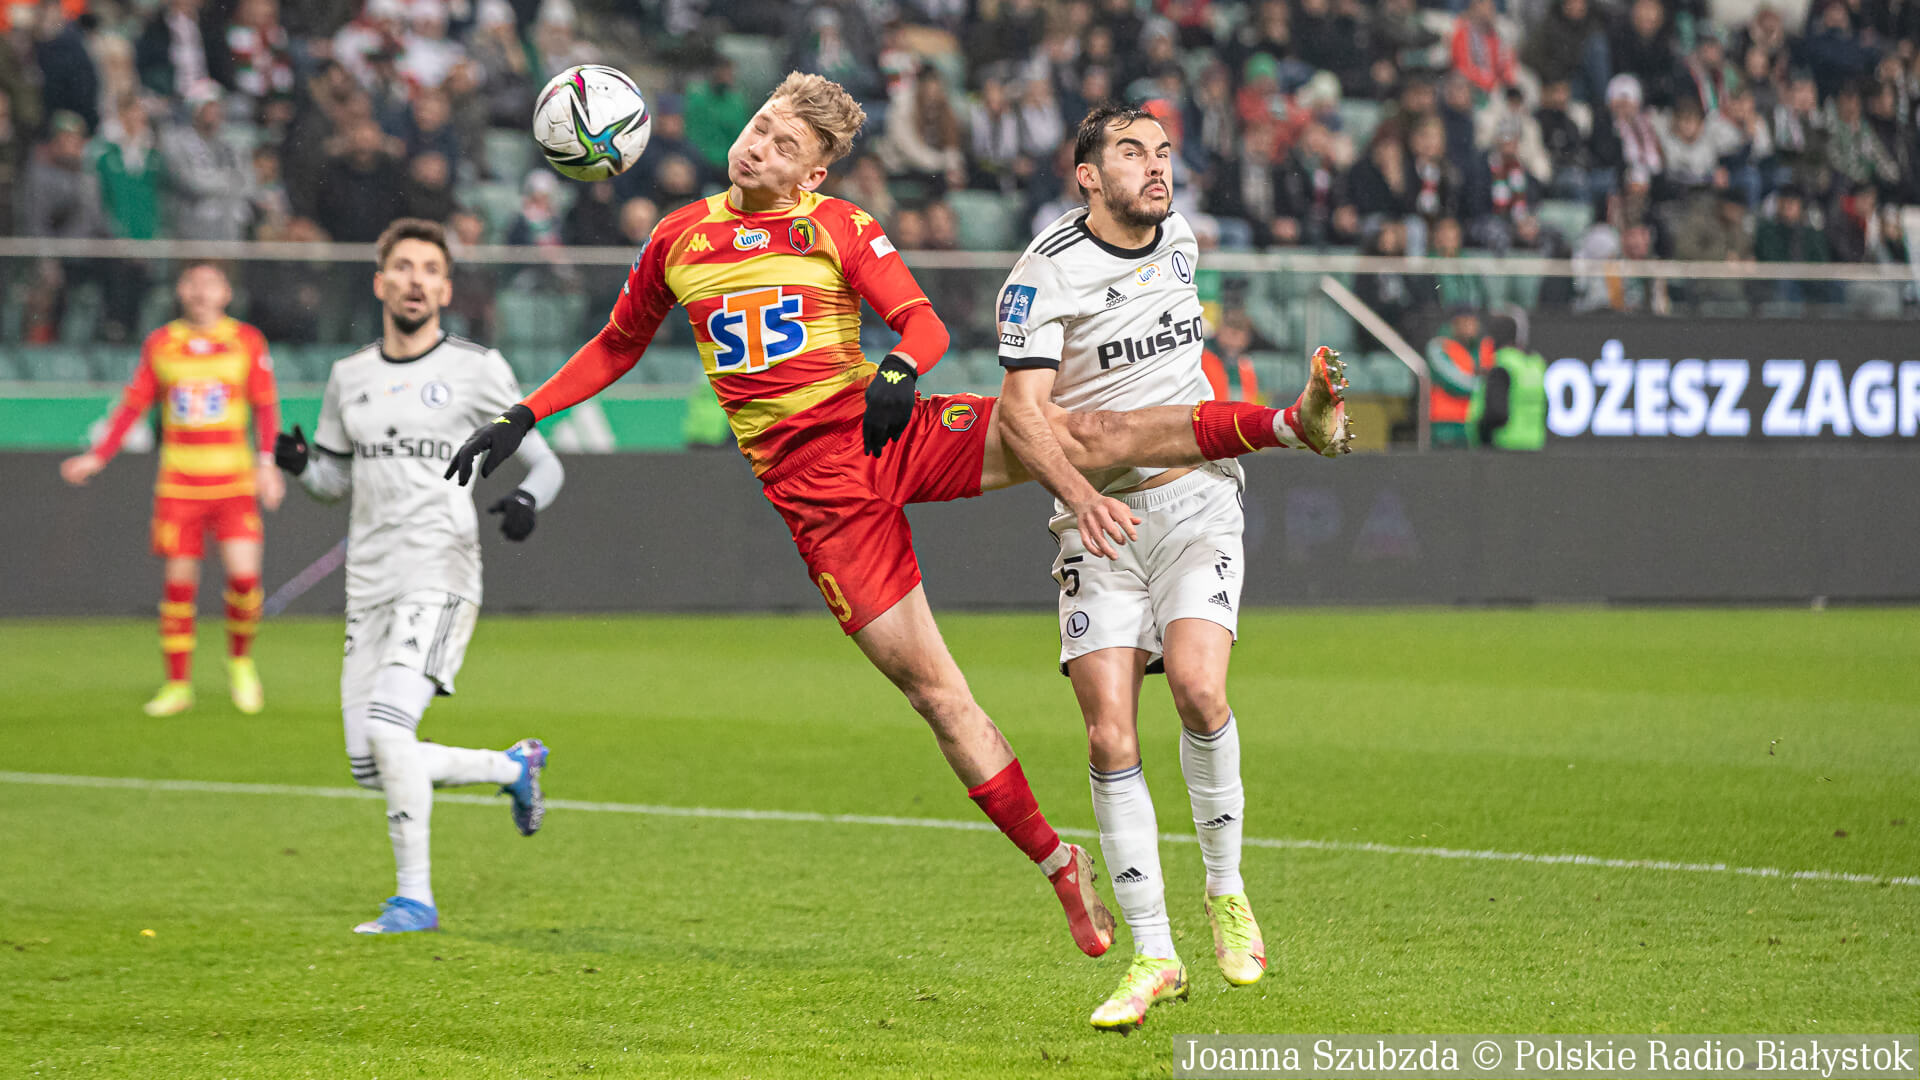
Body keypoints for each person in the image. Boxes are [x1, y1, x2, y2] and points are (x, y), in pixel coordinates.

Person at [445, 73, 1350, 962]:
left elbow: (921, 327)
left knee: (1073, 430)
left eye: (784, 143)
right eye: (761, 126)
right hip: (819, 499)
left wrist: (896, 372)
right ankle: (1056, 862)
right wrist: (524, 414)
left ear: (813, 176)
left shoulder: (840, 227)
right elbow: (616, 344)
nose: (759, 144)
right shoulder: (679, 239)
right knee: (938, 697)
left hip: (894, 431)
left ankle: (1282, 426)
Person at [994, 104, 1319, 1032]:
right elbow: (1022, 414)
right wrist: (1082, 495)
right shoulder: (1044, 271)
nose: (1157, 168)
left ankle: (1226, 889)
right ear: (1087, 173)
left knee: (1199, 691)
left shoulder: (1179, 237)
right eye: (1132, 153)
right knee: (1107, 738)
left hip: (1196, 498)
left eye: (1163, 153)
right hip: (1094, 519)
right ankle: (1153, 956)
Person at [272, 219, 566, 936]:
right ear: (380, 282)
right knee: (372, 762)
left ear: (444, 286)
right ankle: (510, 768)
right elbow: (333, 484)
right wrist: (301, 466)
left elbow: (547, 460)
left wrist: (529, 499)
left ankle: (415, 900)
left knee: (387, 726)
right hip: (368, 583)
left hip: (441, 568)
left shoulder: (477, 368)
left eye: (428, 269)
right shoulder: (349, 377)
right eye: (400, 267)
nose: (413, 280)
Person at [59, 262, 283, 717]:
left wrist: (268, 464)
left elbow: (265, 406)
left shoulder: (246, 341)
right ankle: (177, 685)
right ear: (182, 291)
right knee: (179, 587)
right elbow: (132, 405)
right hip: (179, 487)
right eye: (193, 284)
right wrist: (97, 456)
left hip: (233, 483)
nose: (201, 292)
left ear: (226, 292)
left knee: (245, 579)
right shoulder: (162, 343)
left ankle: (240, 661)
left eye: (211, 284)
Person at [1468, 314, 1547, 450]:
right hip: (1534, 443)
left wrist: (1482, 434)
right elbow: (1546, 407)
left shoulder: (1502, 363)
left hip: (1504, 445)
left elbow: (1496, 412)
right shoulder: (1534, 364)